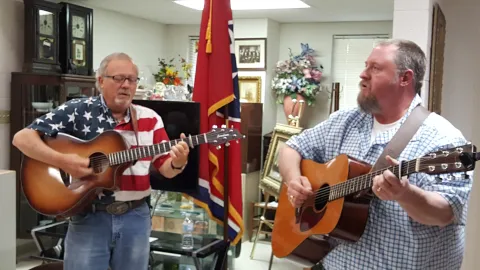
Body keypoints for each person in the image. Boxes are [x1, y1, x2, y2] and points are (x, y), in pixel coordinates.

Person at [279, 39, 472, 270]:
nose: (363, 74)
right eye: (365, 65)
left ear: (405, 78)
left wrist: (405, 194)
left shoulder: (444, 139)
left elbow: (445, 213)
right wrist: (293, 181)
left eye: (376, 68)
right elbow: (291, 148)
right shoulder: (345, 120)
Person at [12, 52, 190, 270]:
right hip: (89, 217)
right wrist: (64, 161)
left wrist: (178, 162)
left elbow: (166, 169)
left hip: (136, 216)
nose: (126, 85)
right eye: (119, 78)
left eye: (132, 80)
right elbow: (21, 138)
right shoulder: (78, 110)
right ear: (100, 81)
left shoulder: (150, 118)